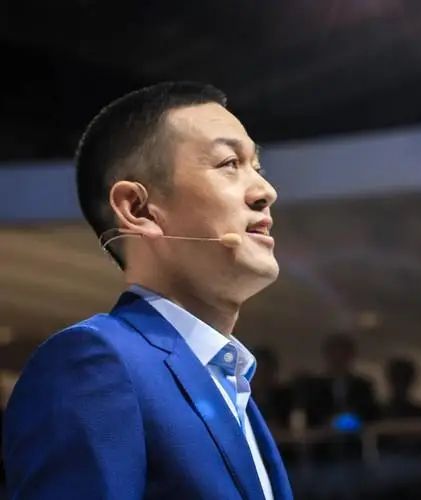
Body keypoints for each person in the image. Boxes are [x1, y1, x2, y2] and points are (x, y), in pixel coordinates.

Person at [2, 82, 292, 499]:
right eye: (230, 163)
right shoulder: (93, 364)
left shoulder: (231, 382)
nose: (266, 192)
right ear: (137, 209)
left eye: (257, 168)